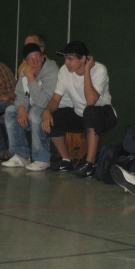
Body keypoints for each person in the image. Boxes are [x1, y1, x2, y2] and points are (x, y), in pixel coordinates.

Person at [41, 41, 117, 176]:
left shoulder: (99, 70)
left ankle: (89, 164)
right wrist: (46, 111)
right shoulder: (64, 71)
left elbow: (91, 101)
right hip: (80, 114)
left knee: (90, 111)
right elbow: (55, 99)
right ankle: (66, 160)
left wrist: (87, 70)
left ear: (83, 59)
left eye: (70, 59)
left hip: (103, 114)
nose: (66, 63)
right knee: (53, 117)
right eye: (65, 58)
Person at [2, 43, 58, 171]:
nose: (35, 62)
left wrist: (31, 78)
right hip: (32, 107)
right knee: (11, 111)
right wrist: (21, 108)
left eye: (38, 58)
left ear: (43, 58)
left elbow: (44, 102)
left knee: (34, 112)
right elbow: (20, 94)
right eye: (31, 59)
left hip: (51, 110)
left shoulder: (51, 71)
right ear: (25, 62)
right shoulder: (25, 71)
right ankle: (21, 155)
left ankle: (42, 158)